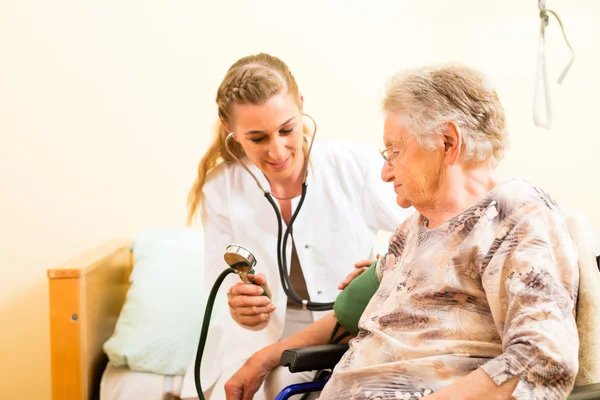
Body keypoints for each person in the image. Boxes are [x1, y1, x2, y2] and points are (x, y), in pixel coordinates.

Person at [223, 64, 580, 400]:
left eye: (394, 151)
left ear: (447, 143)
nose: (385, 173)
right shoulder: (410, 231)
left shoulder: (512, 214)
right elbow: (349, 317)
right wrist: (265, 357)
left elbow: (543, 359)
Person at [179, 53, 413, 399]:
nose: (277, 151)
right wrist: (241, 306)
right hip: (253, 339)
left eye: (287, 129)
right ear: (231, 129)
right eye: (257, 138)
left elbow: (424, 236)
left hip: (341, 327)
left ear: (301, 104)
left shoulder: (355, 167)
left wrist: (383, 268)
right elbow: (222, 279)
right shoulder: (220, 187)